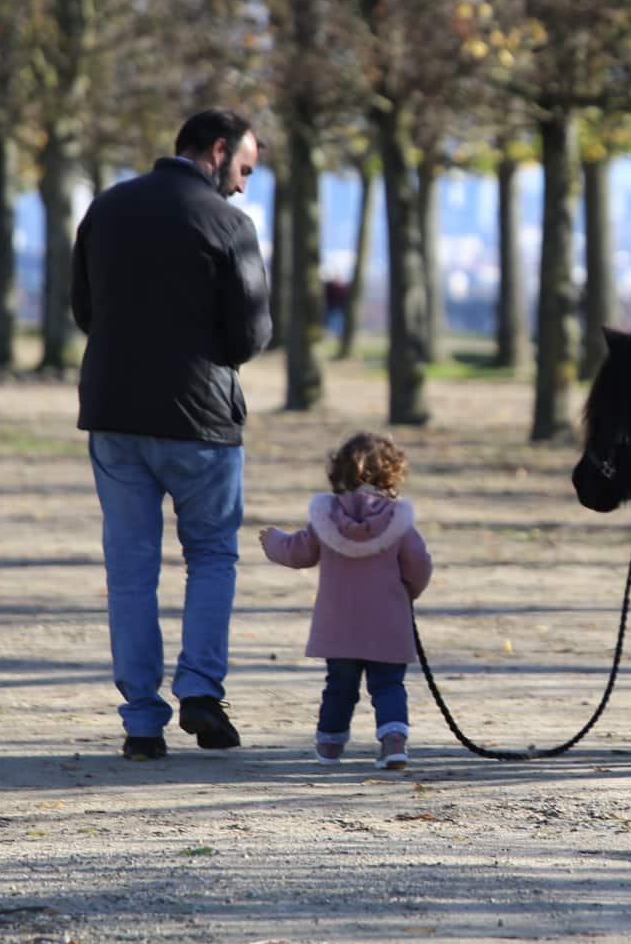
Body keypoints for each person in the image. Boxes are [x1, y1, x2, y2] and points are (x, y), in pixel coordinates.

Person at [72, 108, 272, 761]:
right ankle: (202, 692)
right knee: (211, 556)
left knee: (130, 571)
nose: (242, 184)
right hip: (201, 421)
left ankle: (140, 722)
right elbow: (250, 335)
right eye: (244, 169)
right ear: (217, 151)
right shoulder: (229, 224)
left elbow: (83, 309)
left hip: (115, 413)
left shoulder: (107, 208)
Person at [259, 432, 434, 770]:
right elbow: (419, 565)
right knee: (389, 685)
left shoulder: (326, 518)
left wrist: (273, 541)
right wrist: (409, 591)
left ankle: (329, 746)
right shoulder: (399, 522)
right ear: (392, 474)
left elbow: (299, 552)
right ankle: (393, 743)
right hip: (387, 622)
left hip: (337, 626)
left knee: (339, 686)